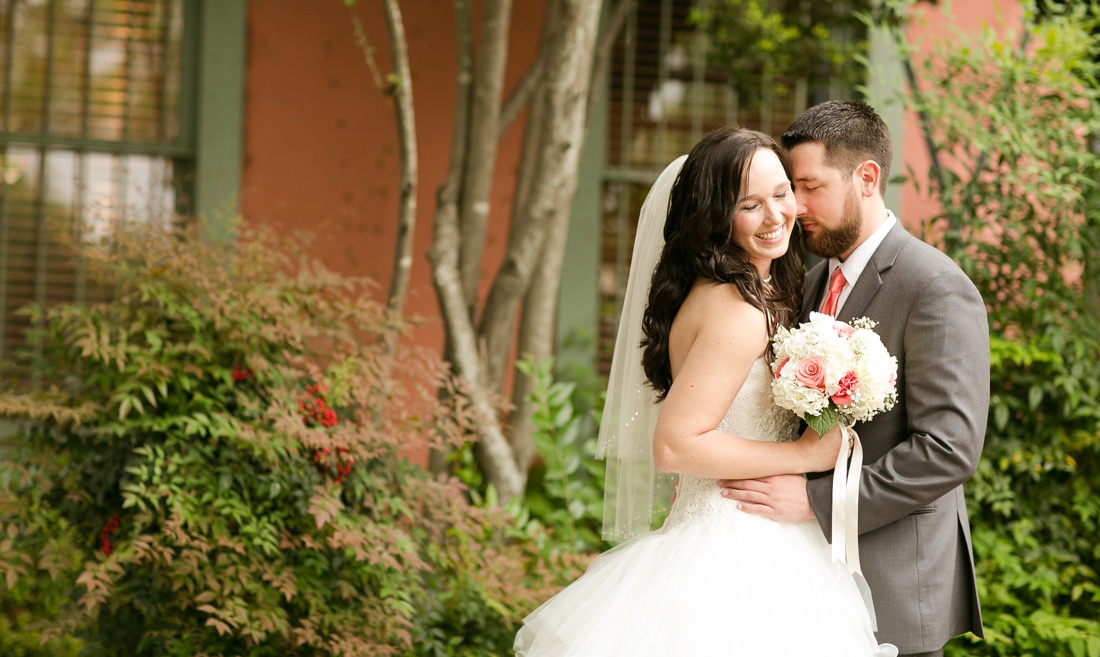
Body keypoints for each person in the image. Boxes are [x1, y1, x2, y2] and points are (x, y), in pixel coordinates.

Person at [514, 126, 897, 656]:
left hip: (751, 534)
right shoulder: (737, 312)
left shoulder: (751, 291)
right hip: (732, 550)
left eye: (782, 193)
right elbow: (676, 445)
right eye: (749, 205)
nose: (775, 216)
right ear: (718, 216)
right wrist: (802, 454)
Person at [719, 100, 990, 657]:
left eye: (809, 186)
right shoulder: (812, 279)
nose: (795, 206)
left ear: (867, 178)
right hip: (807, 584)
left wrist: (820, 504)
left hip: (892, 586)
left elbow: (949, 448)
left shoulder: (935, 286)